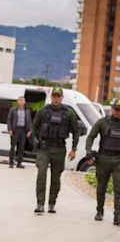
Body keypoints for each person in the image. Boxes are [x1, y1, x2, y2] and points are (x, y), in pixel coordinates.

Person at [33, 87, 79, 214]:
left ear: (62, 98)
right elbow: (35, 126)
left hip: (59, 149)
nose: (56, 98)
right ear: (51, 97)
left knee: (55, 178)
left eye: (58, 96)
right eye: (54, 96)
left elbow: (76, 130)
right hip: (44, 148)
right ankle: (40, 204)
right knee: (41, 175)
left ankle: (52, 203)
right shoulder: (43, 110)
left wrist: (74, 149)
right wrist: (36, 141)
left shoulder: (68, 113)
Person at [85, 97, 120, 225]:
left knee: (118, 188)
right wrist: (88, 152)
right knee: (101, 188)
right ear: (111, 109)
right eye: (116, 109)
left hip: (118, 160)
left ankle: (117, 216)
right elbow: (91, 136)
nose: (118, 112)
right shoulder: (102, 122)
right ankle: (99, 211)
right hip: (104, 158)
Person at [7, 96, 32, 168]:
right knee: (13, 146)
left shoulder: (27, 111)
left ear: (24, 102)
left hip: (23, 130)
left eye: (23, 100)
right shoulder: (13, 110)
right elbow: (9, 120)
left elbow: (30, 121)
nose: (21, 101)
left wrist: (30, 130)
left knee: (21, 147)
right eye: (20, 100)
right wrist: (9, 129)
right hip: (15, 130)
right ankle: (11, 163)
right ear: (17, 101)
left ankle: (19, 163)